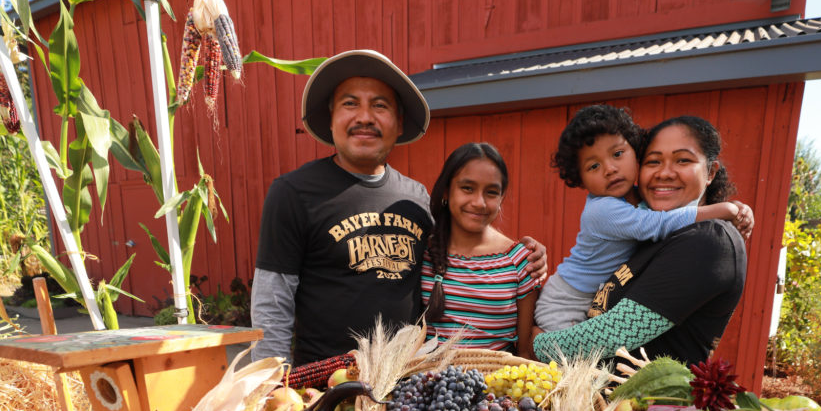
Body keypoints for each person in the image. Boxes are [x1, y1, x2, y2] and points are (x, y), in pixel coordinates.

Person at [251, 50, 547, 366]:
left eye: (380, 105)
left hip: (404, 382)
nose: (364, 117)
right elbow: (272, 302)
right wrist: (270, 385)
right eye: (350, 103)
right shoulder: (294, 193)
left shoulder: (416, 198)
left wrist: (525, 255)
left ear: (399, 122)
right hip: (324, 383)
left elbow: (461, 242)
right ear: (331, 115)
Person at [532, 115, 749, 367]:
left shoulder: (709, 242)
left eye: (683, 160)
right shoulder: (645, 220)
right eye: (653, 161)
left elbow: (618, 332)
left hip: (647, 404)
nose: (664, 173)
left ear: (710, 171)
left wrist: (535, 342)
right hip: (576, 338)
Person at [421, 143, 541, 357]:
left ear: (502, 198)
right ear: (447, 191)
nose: (479, 202)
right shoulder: (422, 250)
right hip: (426, 385)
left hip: (493, 387)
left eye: (491, 192)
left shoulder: (520, 261)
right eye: (467, 188)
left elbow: (524, 351)